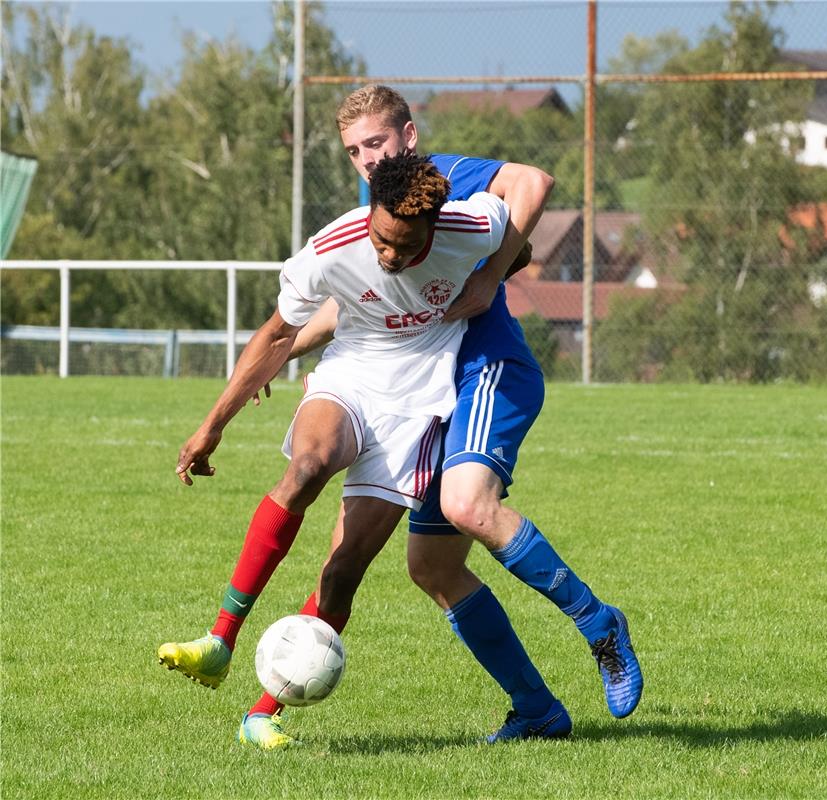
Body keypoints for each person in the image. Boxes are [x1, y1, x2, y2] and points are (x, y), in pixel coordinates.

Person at [158, 152, 573, 748]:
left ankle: (261, 713)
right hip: (349, 378)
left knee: (344, 572)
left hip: (416, 408)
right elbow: (276, 333)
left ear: (434, 226)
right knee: (307, 467)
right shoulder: (334, 245)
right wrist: (211, 425)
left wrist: (492, 274)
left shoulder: (470, 224)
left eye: (405, 248)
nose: (388, 256)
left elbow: (524, 214)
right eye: (381, 239)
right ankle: (220, 641)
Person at [288, 86, 644, 736]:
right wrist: (283, 346)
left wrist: (490, 276)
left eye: (376, 143)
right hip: (430, 397)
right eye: (353, 151)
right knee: (432, 567)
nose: (368, 159)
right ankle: (537, 710)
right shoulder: (380, 216)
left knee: (466, 506)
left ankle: (598, 622)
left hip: (486, 368)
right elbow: (348, 305)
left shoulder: (445, 177)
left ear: (408, 136)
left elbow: (533, 180)